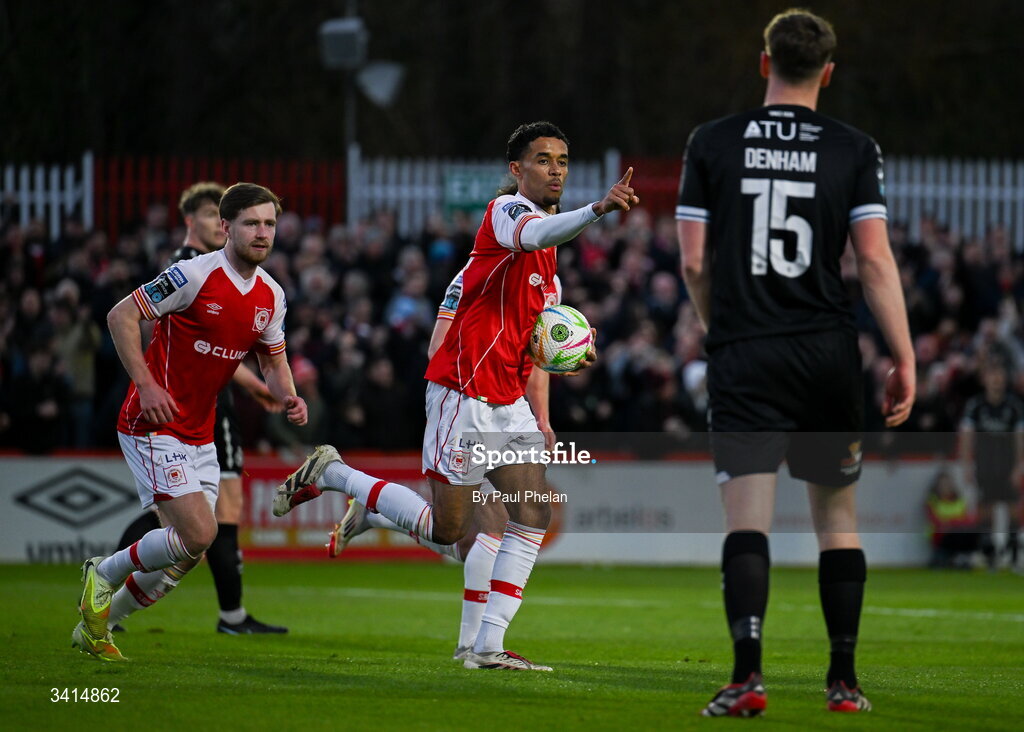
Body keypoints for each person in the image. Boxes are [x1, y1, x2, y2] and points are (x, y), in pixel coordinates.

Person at [274, 121, 638, 671]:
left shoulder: (551, 275)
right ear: (517, 170)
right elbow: (534, 240)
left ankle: (486, 648)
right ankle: (336, 474)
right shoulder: (506, 215)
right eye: (543, 160)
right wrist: (598, 209)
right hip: (462, 394)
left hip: (508, 401)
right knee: (451, 529)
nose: (555, 169)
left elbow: (538, 345)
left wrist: (549, 400)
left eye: (562, 160)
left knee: (531, 514)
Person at [676, 9, 915, 716]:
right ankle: (844, 681)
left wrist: (722, 327)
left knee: (747, 521)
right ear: (829, 73)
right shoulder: (852, 148)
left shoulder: (712, 142)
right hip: (826, 352)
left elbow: (693, 260)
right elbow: (872, 259)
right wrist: (903, 355)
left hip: (747, 351)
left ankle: (747, 676)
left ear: (764, 63)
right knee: (838, 521)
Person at [73, 183, 308, 661]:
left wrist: (288, 395)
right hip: (151, 422)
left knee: (189, 552)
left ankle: (100, 626)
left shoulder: (272, 295)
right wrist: (146, 384)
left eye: (269, 224)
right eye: (251, 224)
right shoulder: (191, 275)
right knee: (201, 533)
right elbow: (120, 317)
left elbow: (272, 359)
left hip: (199, 431)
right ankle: (104, 571)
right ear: (226, 228)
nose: (262, 233)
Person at [326, 267, 563, 660]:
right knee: (477, 531)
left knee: (475, 533)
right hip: (468, 405)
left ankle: (473, 644)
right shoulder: (477, 272)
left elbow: (539, 362)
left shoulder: (549, 283)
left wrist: (541, 417)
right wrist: (469, 401)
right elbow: (438, 345)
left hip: (508, 412)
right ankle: (475, 646)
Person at [958, 359, 1024, 570]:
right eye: (992, 375)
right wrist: (966, 466)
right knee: (985, 511)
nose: (996, 380)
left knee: (1013, 510)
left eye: (1000, 375)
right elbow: (967, 437)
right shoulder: (976, 405)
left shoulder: (1014, 406)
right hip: (985, 466)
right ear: (985, 379)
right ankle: (990, 557)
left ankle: (1014, 556)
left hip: (1007, 466)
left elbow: (1019, 438)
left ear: (1005, 379)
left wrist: (1019, 466)